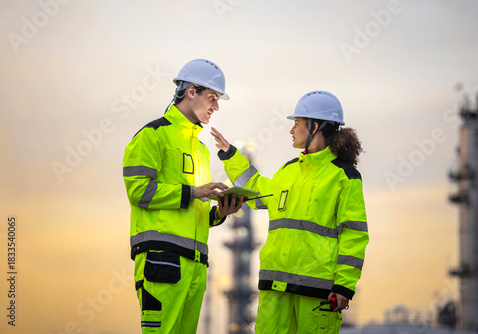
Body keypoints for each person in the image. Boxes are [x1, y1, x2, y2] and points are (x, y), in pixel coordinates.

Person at [211, 90, 369, 333]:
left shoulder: (344, 176)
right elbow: (256, 189)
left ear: (315, 126)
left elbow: (354, 235)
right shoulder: (288, 171)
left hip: (317, 292)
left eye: (297, 124)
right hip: (275, 286)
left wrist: (344, 286)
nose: (291, 130)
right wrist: (231, 156)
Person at [123, 59, 243, 334]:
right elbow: (138, 191)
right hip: (161, 261)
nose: (216, 106)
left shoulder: (200, 149)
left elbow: (192, 209)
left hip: (196, 265)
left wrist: (219, 213)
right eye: (212, 97)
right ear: (191, 92)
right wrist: (195, 192)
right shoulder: (152, 136)